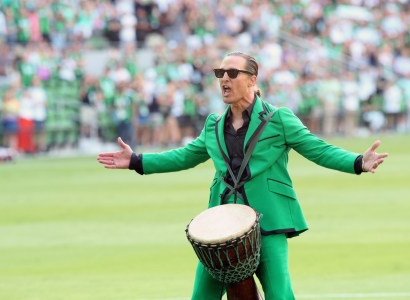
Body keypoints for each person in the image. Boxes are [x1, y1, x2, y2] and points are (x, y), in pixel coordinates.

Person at [97, 52, 389, 299]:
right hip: (220, 225)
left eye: (233, 72)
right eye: (220, 72)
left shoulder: (279, 119)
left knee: (280, 295)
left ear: (252, 80)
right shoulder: (213, 124)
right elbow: (184, 156)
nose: (224, 78)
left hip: (269, 221)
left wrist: (357, 162)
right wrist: (136, 160)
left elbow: (317, 149)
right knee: (201, 296)